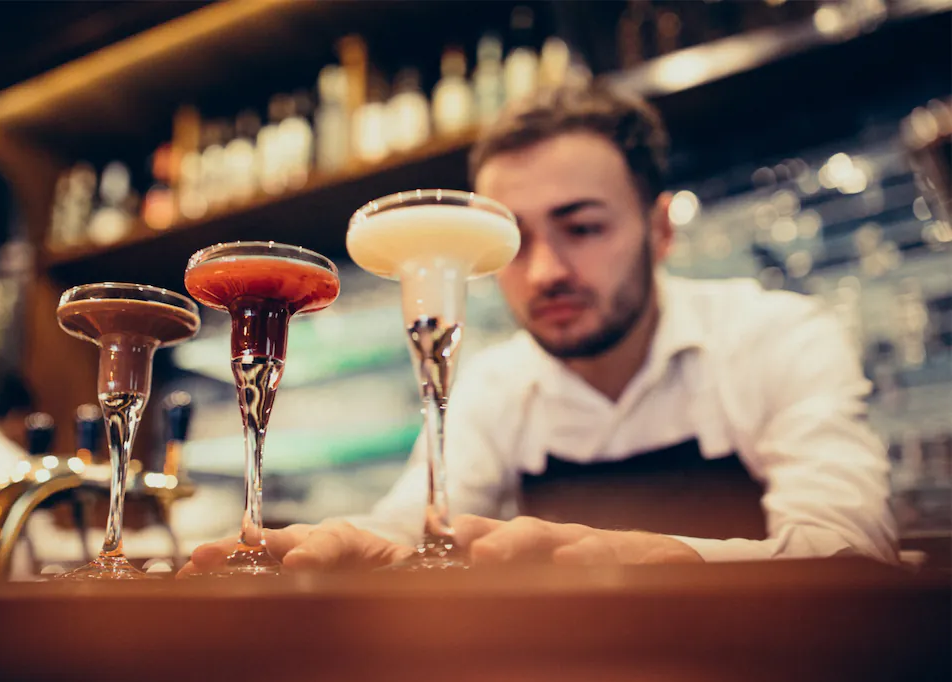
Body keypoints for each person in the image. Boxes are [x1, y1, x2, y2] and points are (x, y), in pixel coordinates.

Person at [181, 82, 898, 575]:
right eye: (518, 238)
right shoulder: (497, 383)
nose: (548, 269)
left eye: (583, 227)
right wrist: (343, 544)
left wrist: (656, 562)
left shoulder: (774, 337)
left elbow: (852, 551)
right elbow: (413, 525)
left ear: (659, 231)